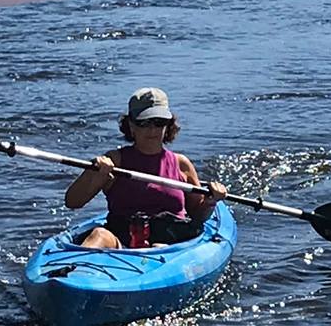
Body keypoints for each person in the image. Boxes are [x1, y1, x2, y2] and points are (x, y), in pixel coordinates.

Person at [64, 87, 227, 248]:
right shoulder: (115, 161)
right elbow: (72, 202)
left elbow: (197, 214)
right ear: (131, 125)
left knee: (160, 246)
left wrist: (210, 202)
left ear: (168, 125)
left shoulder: (181, 164)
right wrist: (96, 174)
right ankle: (75, 271)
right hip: (124, 243)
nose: (152, 129)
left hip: (171, 245)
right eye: (144, 123)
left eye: (159, 122)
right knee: (99, 235)